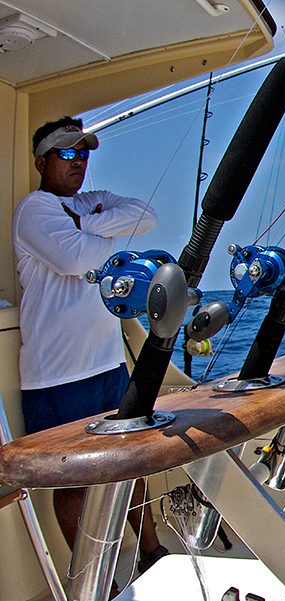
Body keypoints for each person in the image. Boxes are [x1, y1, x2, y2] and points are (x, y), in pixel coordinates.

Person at [13, 116, 167, 573]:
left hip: (107, 365)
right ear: (41, 161)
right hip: (57, 376)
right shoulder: (34, 210)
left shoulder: (88, 203)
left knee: (131, 464)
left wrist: (87, 219)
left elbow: (147, 216)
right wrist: (100, 231)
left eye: (83, 153)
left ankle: (152, 553)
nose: (77, 161)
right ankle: (90, 580)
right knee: (73, 483)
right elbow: (77, 258)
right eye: (65, 153)